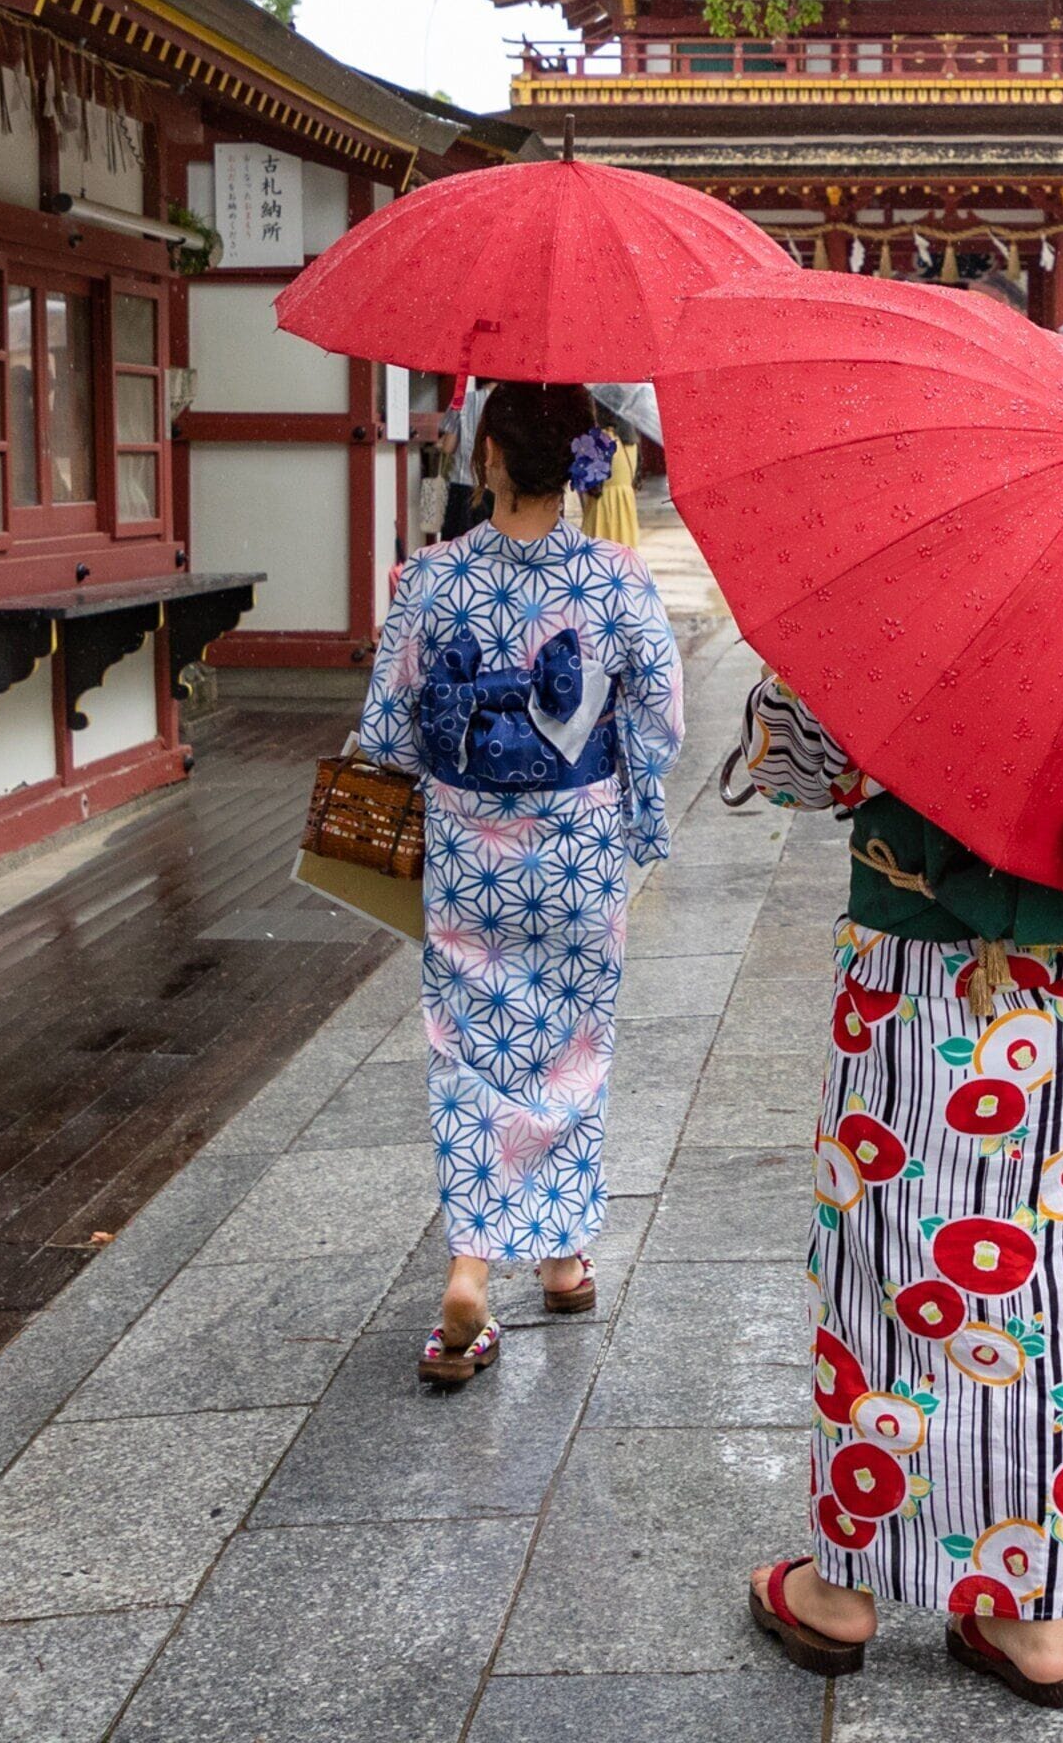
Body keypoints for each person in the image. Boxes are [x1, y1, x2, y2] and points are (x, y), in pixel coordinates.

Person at [736, 687, 1063, 1711]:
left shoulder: (908, 596)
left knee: (884, 1274)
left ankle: (841, 1592)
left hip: (916, 982)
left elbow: (795, 766)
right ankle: (1030, 1616)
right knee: (1053, 1294)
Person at [349, 382, 685, 1384]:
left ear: (486, 455)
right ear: (590, 458)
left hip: (467, 854)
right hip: (579, 856)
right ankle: (565, 1257)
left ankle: (470, 1265)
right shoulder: (618, 581)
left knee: (472, 1050)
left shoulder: (429, 580)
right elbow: (661, 728)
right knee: (570, 1053)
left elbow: (386, 734)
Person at [437, 378, 494, 542]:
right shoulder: (509, 405)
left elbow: (448, 447)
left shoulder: (462, 401)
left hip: (463, 486)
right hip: (495, 489)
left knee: (458, 545)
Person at [579, 426, 643, 549]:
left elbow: (587, 478)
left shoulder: (603, 438)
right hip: (626, 512)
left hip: (602, 508)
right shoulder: (632, 440)